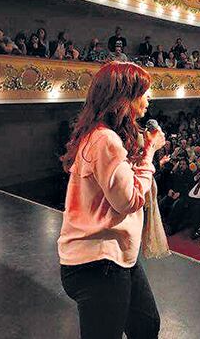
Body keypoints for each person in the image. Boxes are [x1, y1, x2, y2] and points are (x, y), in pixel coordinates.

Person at [57, 62, 166, 339]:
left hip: (114, 255)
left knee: (146, 325)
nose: (149, 97)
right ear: (124, 97)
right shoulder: (105, 139)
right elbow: (129, 200)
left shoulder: (100, 135)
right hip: (97, 261)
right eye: (144, 91)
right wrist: (149, 155)